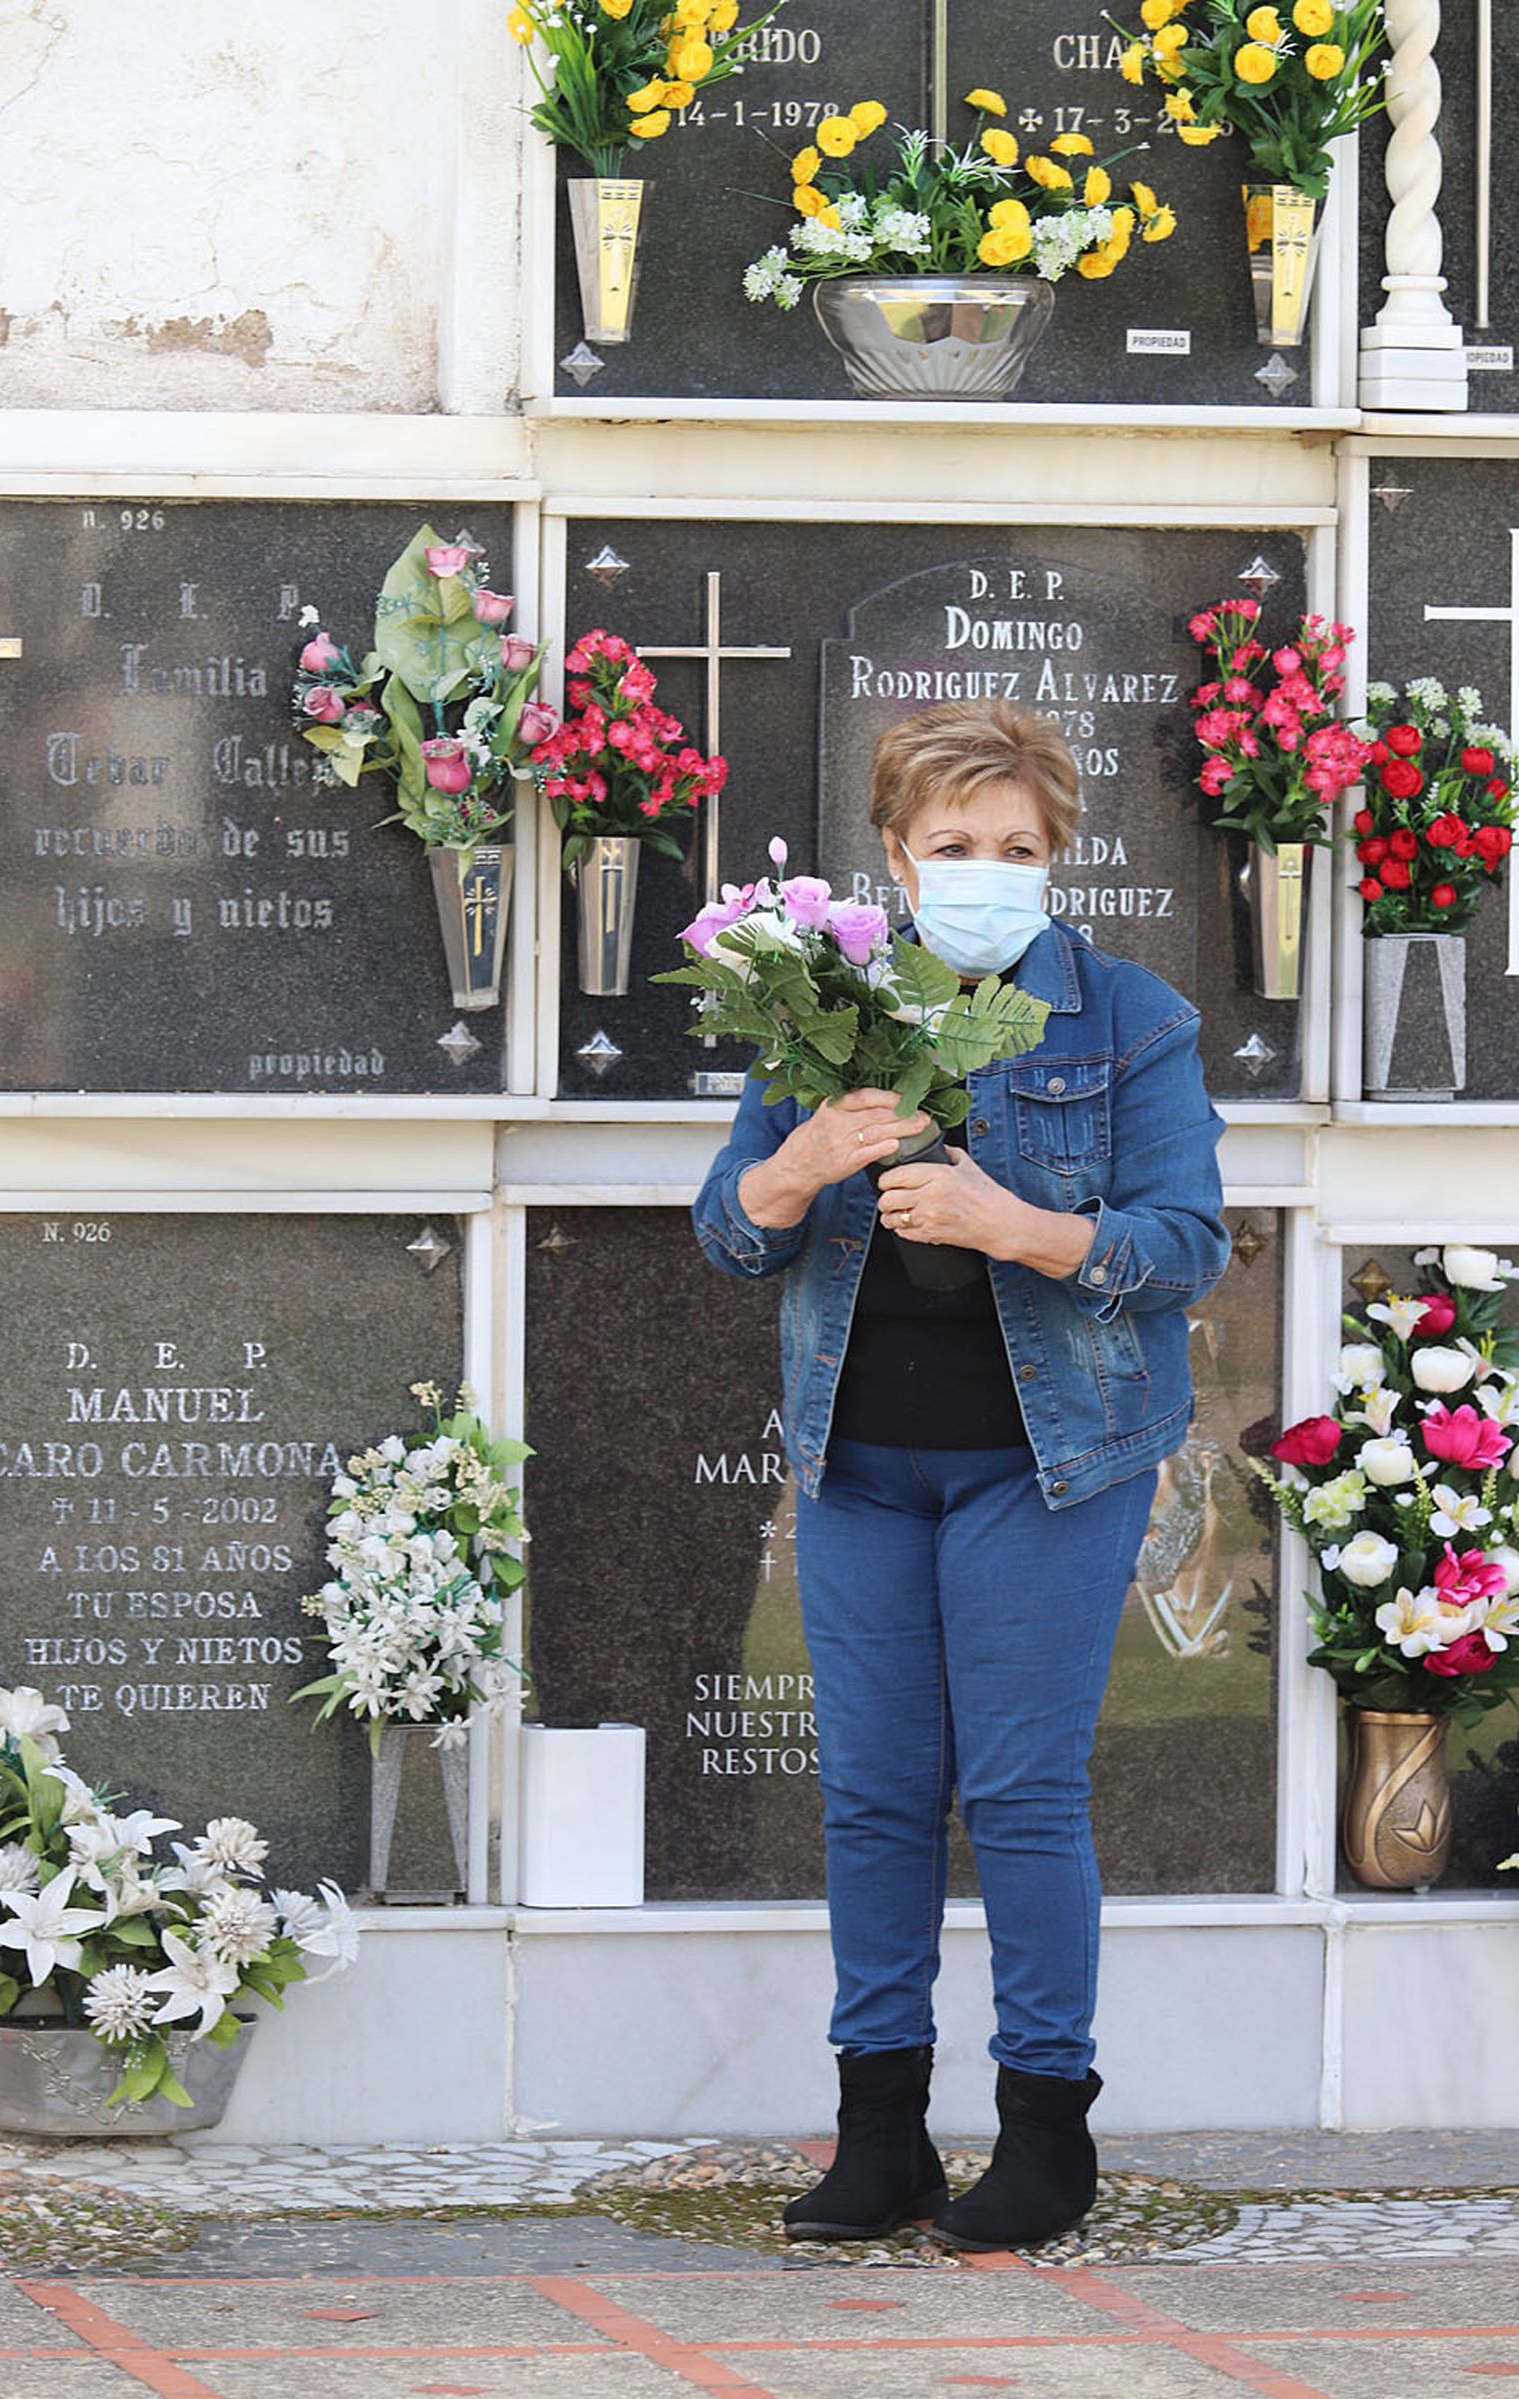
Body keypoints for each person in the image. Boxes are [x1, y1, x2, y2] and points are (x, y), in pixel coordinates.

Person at [691, 697, 1230, 2253]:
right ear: (895, 857)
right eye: (950, 847)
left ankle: (1048, 2133)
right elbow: (736, 1234)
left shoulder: (1130, 1019)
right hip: (859, 1463)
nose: (981, 871)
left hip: (1048, 1469)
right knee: (868, 1797)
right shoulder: (818, 1012)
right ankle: (881, 2133)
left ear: (1055, 858)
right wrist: (790, 1169)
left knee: (1017, 1791)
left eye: (1013, 848)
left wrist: (1020, 1226)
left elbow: (1184, 1244)